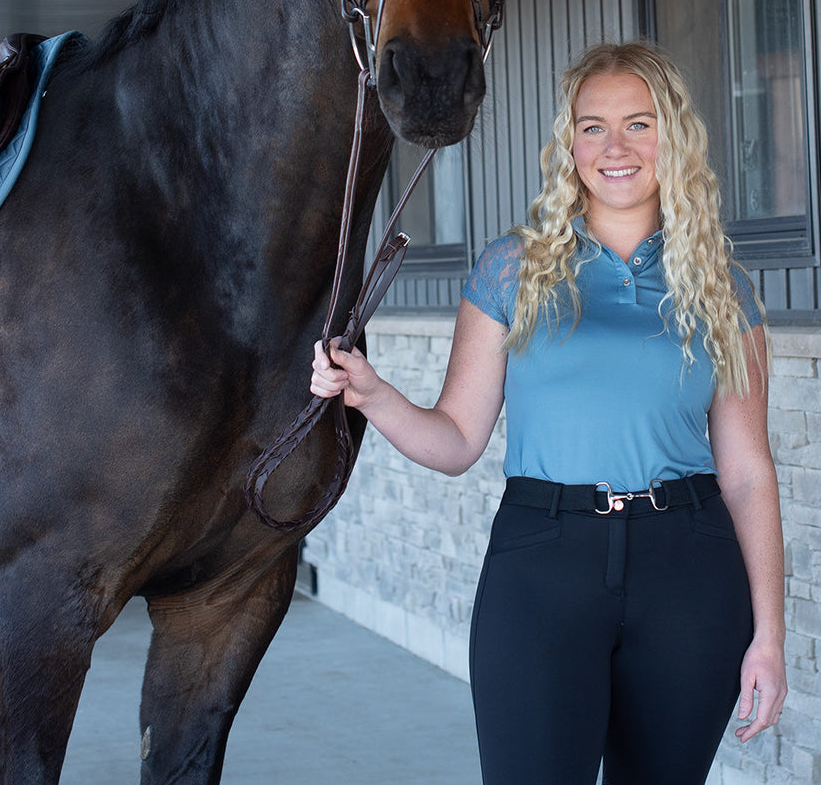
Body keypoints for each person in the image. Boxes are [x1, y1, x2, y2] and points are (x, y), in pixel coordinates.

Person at [311, 40, 787, 784]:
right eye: (592, 125)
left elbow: (750, 473)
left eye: (639, 122)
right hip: (542, 562)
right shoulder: (512, 267)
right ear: (569, 144)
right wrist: (372, 394)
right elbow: (458, 438)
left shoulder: (724, 285)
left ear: (675, 136)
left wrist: (770, 636)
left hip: (688, 570)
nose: (615, 147)